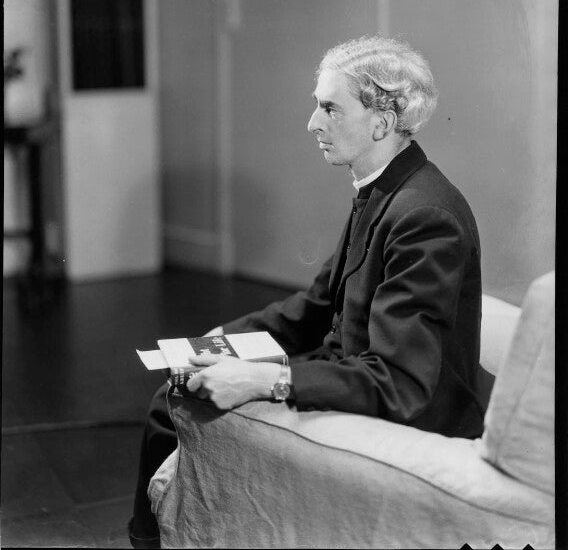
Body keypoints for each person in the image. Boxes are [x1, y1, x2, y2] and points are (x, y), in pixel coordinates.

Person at [129, 35, 490, 549]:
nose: (312, 123)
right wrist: (218, 340)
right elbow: (317, 307)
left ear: (382, 123)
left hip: (408, 417)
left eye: (330, 108)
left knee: (175, 404)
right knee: (179, 388)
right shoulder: (385, 191)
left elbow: (401, 383)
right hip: (354, 376)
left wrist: (263, 379)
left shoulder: (423, 215)